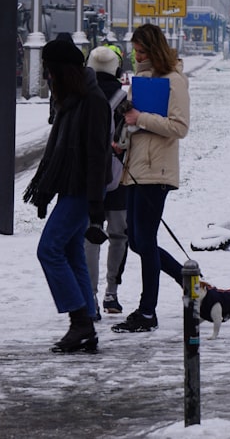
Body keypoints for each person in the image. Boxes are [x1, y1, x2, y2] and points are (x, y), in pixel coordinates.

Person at [23, 36, 111, 352]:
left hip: (83, 190)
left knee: (49, 249)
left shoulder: (93, 102)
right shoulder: (72, 100)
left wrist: (96, 210)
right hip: (72, 187)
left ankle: (81, 322)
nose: (48, 76)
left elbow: (98, 157)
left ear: (64, 70)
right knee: (72, 252)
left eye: (50, 70)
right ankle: (85, 321)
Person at [112, 24, 190, 333]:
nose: (138, 56)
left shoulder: (175, 81)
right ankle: (187, 278)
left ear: (155, 50)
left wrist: (139, 118)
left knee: (145, 241)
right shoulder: (141, 81)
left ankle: (147, 312)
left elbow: (179, 127)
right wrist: (123, 137)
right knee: (136, 241)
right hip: (135, 169)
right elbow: (136, 124)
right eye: (135, 51)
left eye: (143, 51)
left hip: (157, 171)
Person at [84, 44, 129, 319]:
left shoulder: (83, 95)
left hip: (89, 176)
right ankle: (112, 291)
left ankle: (89, 295)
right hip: (118, 173)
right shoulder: (123, 98)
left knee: (91, 235)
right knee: (118, 234)